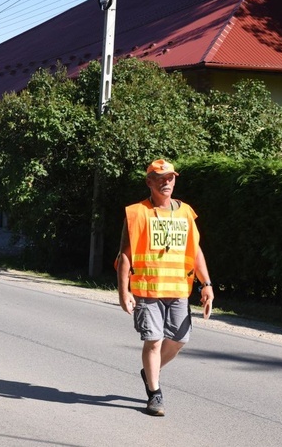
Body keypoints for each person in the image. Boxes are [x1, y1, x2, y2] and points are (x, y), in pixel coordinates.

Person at [116, 159, 215, 417]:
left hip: (179, 289)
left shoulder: (186, 213)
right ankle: (154, 393)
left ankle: (150, 371)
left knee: (180, 339)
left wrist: (207, 284)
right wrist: (124, 291)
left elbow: (195, 251)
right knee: (154, 340)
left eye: (170, 178)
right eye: (160, 178)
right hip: (147, 291)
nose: (166, 182)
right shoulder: (137, 213)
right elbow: (125, 255)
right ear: (149, 182)